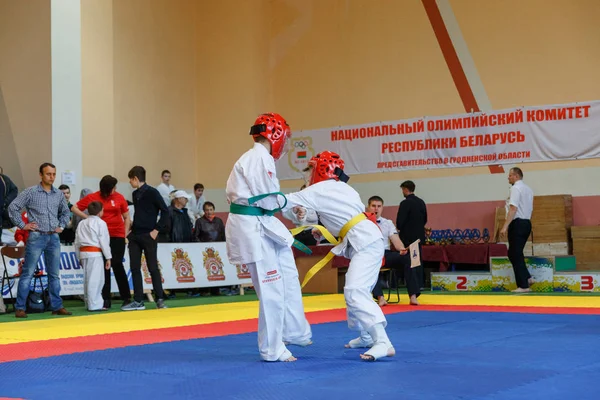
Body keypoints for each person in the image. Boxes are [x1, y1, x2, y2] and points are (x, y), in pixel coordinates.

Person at [282, 151, 395, 362]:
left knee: (355, 290)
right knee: (356, 290)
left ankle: (383, 342)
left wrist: (256, 199)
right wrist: (303, 216)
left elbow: (284, 201)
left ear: (320, 170)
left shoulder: (319, 189)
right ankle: (365, 335)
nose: (307, 178)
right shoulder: (344, 188)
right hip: (366, 240)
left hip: (366, 242)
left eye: (310, 172)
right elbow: (321, 214)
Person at [225, 112, 312, 362]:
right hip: (253, 227)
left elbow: (269, 199)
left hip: (260, 223)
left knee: (285, 277)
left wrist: (288, 207)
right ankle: (272, 348)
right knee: (271, 289)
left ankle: (292, 331)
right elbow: (268, 198)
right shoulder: (258, 158)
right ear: (275, 135)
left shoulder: (256, 158)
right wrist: (290, 204)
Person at [8, 162, 72, 318]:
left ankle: (57, 306)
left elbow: (65, 212)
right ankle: (20, 308)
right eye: (48, 174)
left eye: (54, 174)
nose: (52, 177)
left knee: (54, 274)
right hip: (36, 236)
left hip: (53, 236)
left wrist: (62, 226)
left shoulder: (58, 194)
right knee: (28, 273)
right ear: (41, 175)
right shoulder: (30, 192)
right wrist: (23, 225)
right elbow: (13, 207)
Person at [72, 175, 132, 309]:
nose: (115, 189)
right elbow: (74, 208)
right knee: (103, 268)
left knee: (117, 265)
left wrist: (124, 233)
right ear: (107, 188)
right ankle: (105, 299)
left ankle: (126, 297)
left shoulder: (119, 197)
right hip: (99, 237)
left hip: (117, 235)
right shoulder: (93, 197)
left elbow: (127, 217)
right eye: (113, 187)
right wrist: (89, 218)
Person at [122, 166, 169, 311]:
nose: (130, 182)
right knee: (134, 267)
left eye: (130, 179)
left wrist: (156, 230)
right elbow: (140, 214)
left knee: (152, 267)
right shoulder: (135, 194)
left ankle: (160, 298)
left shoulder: (153, 192)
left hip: (149, 235)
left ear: (135, 178)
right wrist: (130, 230)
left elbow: (165, 212)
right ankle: (138, 300)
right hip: (135, 235)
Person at [366, 196, 419, 306]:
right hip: (370, 254)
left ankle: (413, 296)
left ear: (382, 208)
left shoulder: (388, 223)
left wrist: (402, 249)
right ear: (368, 207)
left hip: (386, 253)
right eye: (373, 206)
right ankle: (380, 297)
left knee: (407, 258)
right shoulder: (363, 223)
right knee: (370, 263)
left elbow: (395, 239)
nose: (376, 209)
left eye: (379, 206)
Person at [500, 167, 534, 293]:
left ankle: (523, 285)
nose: (508, 177)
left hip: (518, 223)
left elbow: (513, 209)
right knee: (516, 253)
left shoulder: (515, 188)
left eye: (510, 175)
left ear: (516, 176)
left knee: (514, 253)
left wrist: (505, 226)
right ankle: (527, 278)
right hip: (526, 223)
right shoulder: (528, 189)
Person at [74, 201, 112, 311]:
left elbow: (77, 242)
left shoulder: (82, 223)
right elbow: (104, 241)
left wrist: (78, 257)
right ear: (100, 212)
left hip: (83, 253)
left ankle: (89, 303)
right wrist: (108, 257)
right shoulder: (101, 223)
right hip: (95, 254)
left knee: (87, 279)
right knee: (96, 280)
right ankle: (94, 305)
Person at [396, 180, 427, 289]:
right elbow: (425, 220)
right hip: (418, 237)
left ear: (405, 189)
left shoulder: (405, 203)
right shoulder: (421, 202)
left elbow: (400, 222)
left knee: (408, 261)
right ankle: (420, 283)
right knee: (418, 260)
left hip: (407, 238)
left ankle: (410, 284)